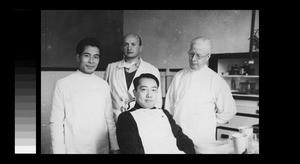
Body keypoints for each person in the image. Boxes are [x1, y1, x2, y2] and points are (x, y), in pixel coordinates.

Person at [164, 37, 237, 153]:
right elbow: (169, 107)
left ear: (208, 56)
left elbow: (229, 111)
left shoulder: (215, 80)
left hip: (203, 142)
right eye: (191, 54)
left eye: (199, 56)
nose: (193, 59)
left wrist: (208, 122)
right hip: (178, 138)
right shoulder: (179, 76)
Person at [49, 37, 119, 154]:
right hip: (73, 148)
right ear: (78, 57)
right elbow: (55, 123)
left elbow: (109, 119)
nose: (91, 61)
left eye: (96, 57)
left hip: (100, 148)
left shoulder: (103, 85)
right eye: (87, 55)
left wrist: (115, 147)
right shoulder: (63, 84)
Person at [116, 73, 195, 154]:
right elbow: (132, 150)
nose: (149, 95)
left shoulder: (164, 113)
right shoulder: (126, 117)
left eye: (153, 90)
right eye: (144, 89)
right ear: (135, 92)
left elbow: (183, 140)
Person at [104, 33, 162, 121]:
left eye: (133, 44)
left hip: (142, 121)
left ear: (140, 48)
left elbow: (157, 101)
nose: (129, 48)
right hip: (115, 120)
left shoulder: (152, 69)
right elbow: (105, 98)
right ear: (121, 48)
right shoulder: (111, 67)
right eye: (126, 44)